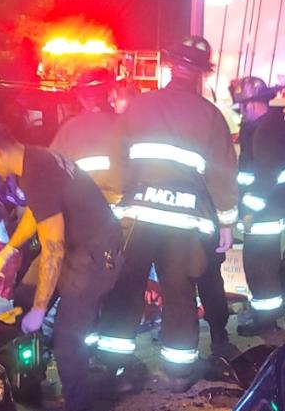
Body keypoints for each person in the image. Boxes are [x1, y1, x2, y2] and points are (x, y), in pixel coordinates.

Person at [93, 36, 238, 392]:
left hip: (138, 218)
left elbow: (115, 159)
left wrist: (116, 205)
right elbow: (223, 174)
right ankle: (177, 373)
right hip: (184, 226)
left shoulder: (140, 107)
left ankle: (111, 367)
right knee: (179, 294)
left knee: (126, 290)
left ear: (171, 65)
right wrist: (228, 222)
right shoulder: (210, 116)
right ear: (203, 73)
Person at [0, 122, 124, 411]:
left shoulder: (37, 170)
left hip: (95, 253)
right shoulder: (34, 161)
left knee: (68, 338)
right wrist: (11, 248)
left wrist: (41, 308)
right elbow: (37, 213)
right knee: (23, 299)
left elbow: (52, 248)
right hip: (79, 244)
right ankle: (28, 380)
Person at [230, 76, 285, 335]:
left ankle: (266, 322)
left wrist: (248, 211)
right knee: (258, 266)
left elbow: (265, 176)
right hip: (266, 210)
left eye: (242, 106)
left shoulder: (267, 130)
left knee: (262, 268)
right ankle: (263, 315)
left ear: (251, 104)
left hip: (264, 213)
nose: (241, 112)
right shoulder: (264, 127)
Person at [49, 66, 125, 206]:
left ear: (81, 97)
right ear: (112, 93)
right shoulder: (127, 125)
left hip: (82, 209)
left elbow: (50, 173)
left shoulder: (69, 129)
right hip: (124, 212)